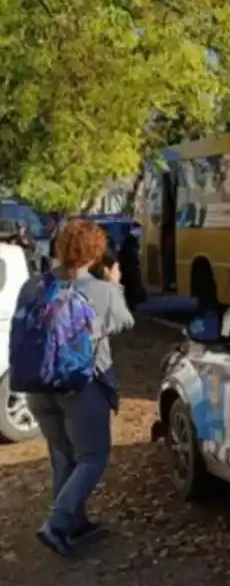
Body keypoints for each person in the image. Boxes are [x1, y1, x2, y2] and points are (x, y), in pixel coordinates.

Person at [18, 219, 135, 555]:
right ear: (96, 252)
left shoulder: (32, 286)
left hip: (38, 385)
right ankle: (57, 524)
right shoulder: (102, 291)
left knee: (63, 454)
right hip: (81, 387)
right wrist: (115, 285)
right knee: (92, 456)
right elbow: (124, 321)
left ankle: (75, 523)